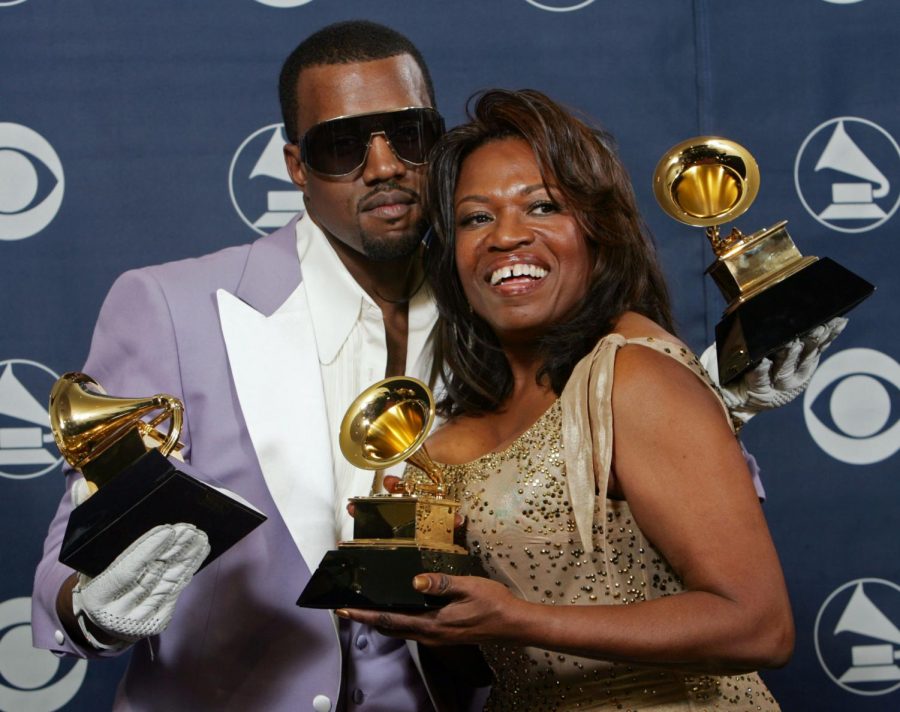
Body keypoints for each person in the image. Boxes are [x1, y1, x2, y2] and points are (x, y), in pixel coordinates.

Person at [31, 20, 474, 712]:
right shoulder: (171, 307)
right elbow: (75, 549)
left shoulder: (491, 309)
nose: (383, 166)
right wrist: (93, 608)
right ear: (297, 166)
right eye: (342, 145)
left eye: (408, 135)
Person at [338, 89, 796, 710]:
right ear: (450, 255)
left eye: (542, 206)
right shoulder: (452, 435)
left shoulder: (630, 375)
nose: (506, 237)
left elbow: (759, 627)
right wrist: (424, 587)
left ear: (596, 231)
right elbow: (474, 671)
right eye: (476, 218)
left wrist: (519, 618)